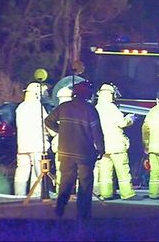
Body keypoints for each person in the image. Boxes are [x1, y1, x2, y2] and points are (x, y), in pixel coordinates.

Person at [45, 81, 105, 220]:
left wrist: (61, 130)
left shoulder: (63, 107)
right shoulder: (89, 109)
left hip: (65, 153)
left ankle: (60, 206)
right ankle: (83, 213)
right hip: (84, 153)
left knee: (66, 181)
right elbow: (97, 132)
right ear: (87, 95)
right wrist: (101, 148)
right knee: (85, 183)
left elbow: (48, 121)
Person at [95, 83, 137, 200]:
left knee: (105, 172)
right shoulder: (112, 108)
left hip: (103, 146)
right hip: (116, 145)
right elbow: (122, 123)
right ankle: (127, 193)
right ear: (111, 95)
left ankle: (106, 193)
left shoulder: (96, 108)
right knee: (122, 170)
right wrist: (130, 119)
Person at [14, 82, 50, 197]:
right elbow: (46, 124)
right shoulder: (38, 107)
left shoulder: (20, 107)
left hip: (22, 145)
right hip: (37, 145)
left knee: (22, 170)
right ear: (36, 94)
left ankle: (19, 195)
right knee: (37, 172)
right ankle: (35, 195)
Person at [48, 86, 73, 194]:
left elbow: (49, 125)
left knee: (61, 170)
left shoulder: (56, 111)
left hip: (60, 145)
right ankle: (72, 192)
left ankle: (61, 191)